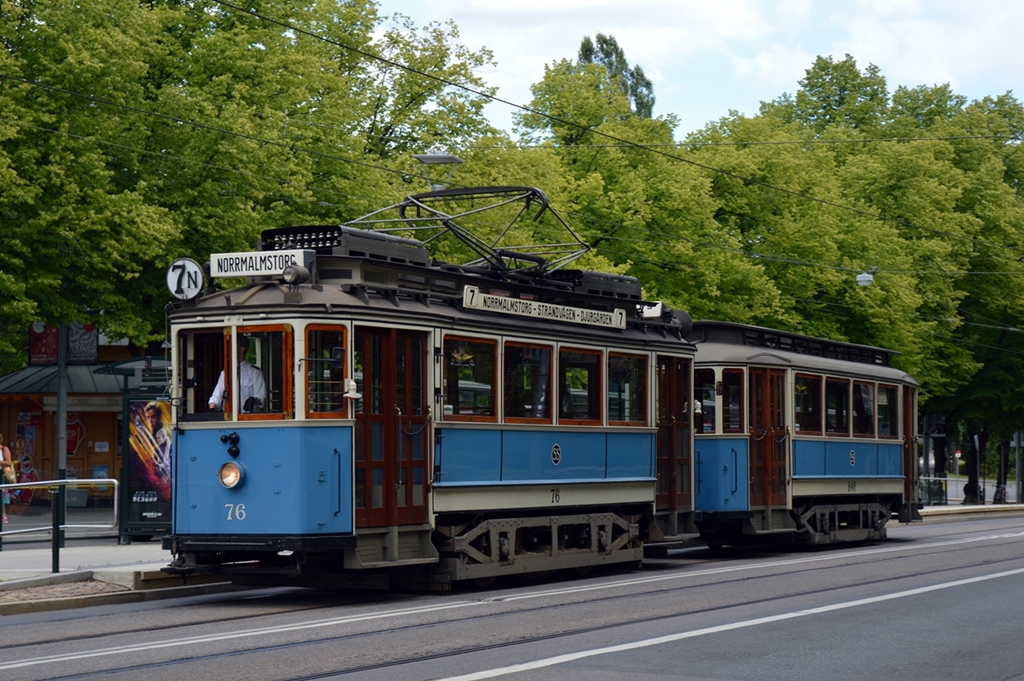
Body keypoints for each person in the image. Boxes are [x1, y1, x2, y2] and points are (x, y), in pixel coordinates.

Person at [208, 336, 266, 413]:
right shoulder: (225, 373)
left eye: (232, 346)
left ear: (241, 350)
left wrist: (253, 400)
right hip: (227, 419)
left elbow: (261, 398)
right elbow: (216, 398)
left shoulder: (255, 372)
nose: (229, 349)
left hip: (247, 419)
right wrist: (212, 408)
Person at [0, 433, 13, 523]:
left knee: (2, 497)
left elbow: (8, 462)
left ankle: (3, 515)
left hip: (1, 474)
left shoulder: (4, 449)